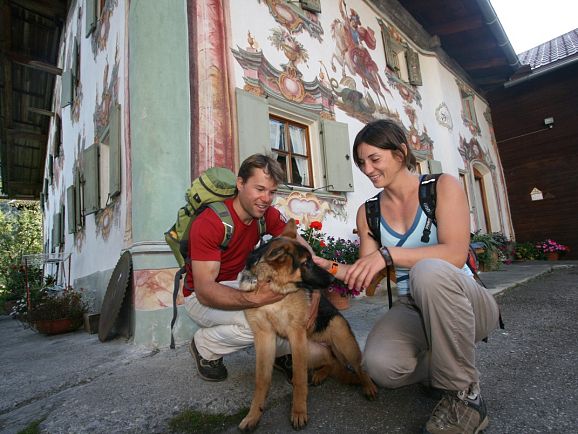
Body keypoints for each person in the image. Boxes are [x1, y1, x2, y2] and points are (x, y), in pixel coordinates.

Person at [314, 120, 500, 434]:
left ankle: (466, 397)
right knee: (380, 367)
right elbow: (364, 275)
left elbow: (455, 254)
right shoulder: (368, 212)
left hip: (466, 303)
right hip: (413, 307)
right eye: (361, 163)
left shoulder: (442, 187)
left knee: (427, 272)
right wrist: (321, 263)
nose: (367, 169)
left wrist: (390, 255)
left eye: (375, 159)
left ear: (400, 153)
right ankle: (442, 364)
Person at [184, 154, 322, 382]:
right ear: (240, 184)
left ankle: (281, 354)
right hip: (199, 297)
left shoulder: (265, 215)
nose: (266, 198)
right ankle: (204, 346)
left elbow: (301, 247)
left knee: (289, 302)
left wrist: (315, 289)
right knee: (261, 320)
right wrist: (256, 300)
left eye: (271, 192)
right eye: (259, 189)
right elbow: (205, 291)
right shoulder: (210, 223)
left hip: (239, 281)